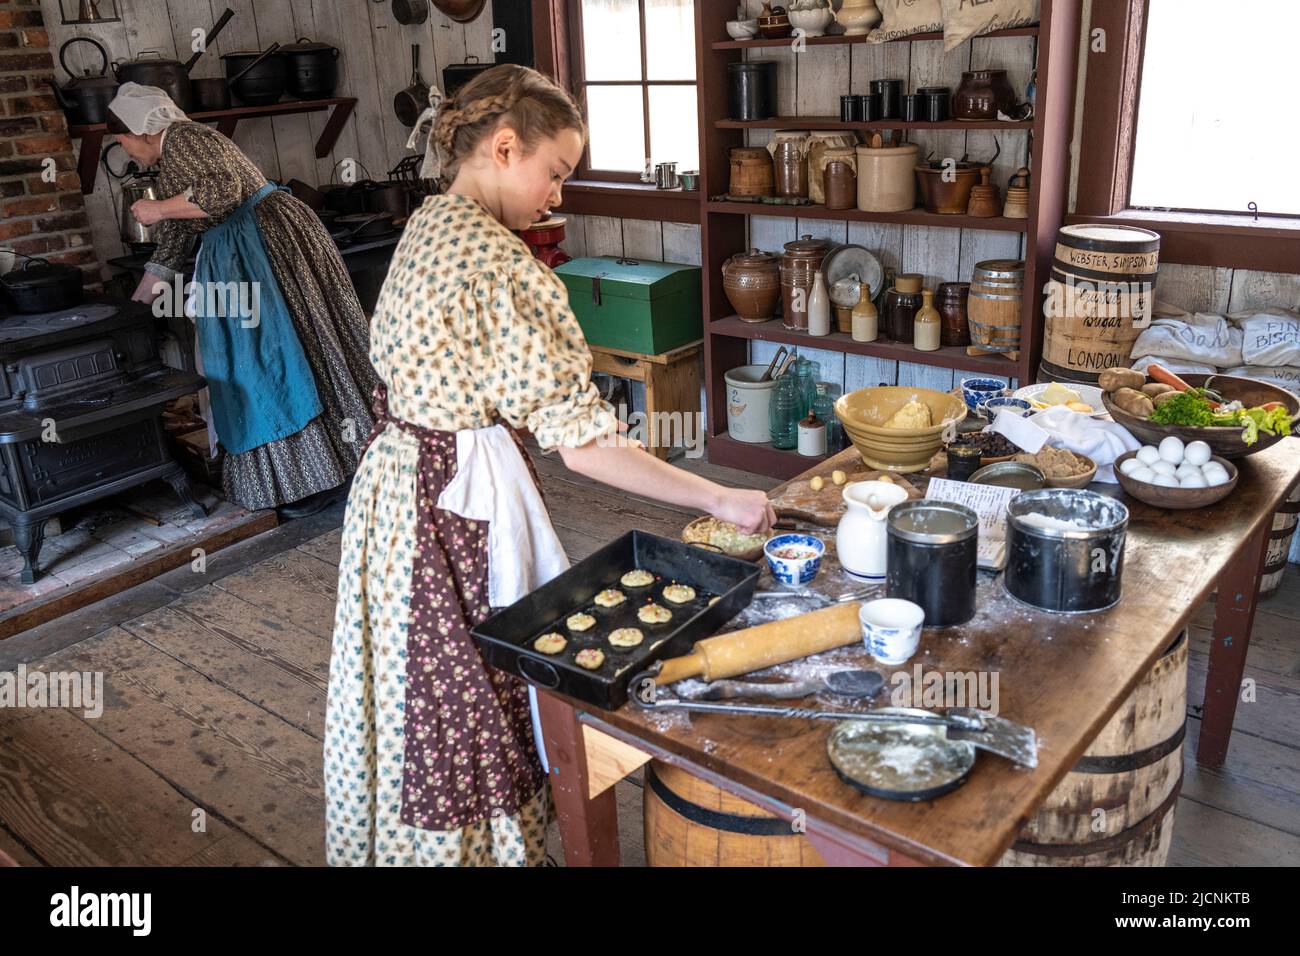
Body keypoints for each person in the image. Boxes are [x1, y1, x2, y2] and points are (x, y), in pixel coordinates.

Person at [324, 65, 775, 867]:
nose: (558, 195)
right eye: (555, 172)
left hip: (393, 493)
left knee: (412, 696)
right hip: (452, 509)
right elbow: (585, 444)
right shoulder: (502, 268)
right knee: (469, 702)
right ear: (504, 147)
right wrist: (721, 495)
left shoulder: (430, 224)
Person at [106, 83, 379, 517]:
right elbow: (178, 238)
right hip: (254, 244)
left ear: (139, 130)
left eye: (120, 140)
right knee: (297, 348)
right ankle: (340, 466)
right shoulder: (176, 155)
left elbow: (222, 192)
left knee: (265, 359)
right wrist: (138, 302)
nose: (123, 149)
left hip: (259, 247)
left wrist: (156, 210)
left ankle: (322, 478)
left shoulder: (186, 139)